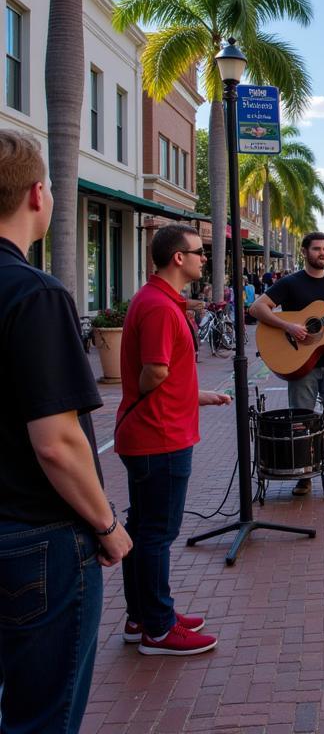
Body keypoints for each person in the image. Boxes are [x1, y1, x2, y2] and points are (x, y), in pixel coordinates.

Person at [0, 131, 133, 731]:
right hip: (35, 538)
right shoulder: (34, 294)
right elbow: (57, 440)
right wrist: (106, 524)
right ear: (36, 196)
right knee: (42, 717)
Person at [117, 223, 232, 656]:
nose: (205, 258)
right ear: (177, 258)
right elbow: (156, 371)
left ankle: (142, 615)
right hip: (159, 435)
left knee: (143, 528)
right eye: (199, 251)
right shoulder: (161, 307)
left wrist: (196, 396)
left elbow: (165, 375)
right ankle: (159, 629)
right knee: (156, 534)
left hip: (155, 430)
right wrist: (161, 397)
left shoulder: (156, 299)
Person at [250, 233, 324, 494]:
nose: (322, 253)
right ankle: (304, 474)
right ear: (304, 252)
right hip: (299, 361)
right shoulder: (290, 283)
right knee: (302, 418)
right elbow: (256, 308)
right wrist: (288, 325)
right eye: (317, 249)